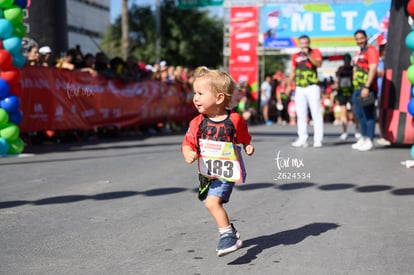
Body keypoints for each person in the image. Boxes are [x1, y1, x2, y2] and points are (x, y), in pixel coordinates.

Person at [181, 66, 254, 257]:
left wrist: (247, 146)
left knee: (212, 203)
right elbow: (187, 143)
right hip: (206, 173)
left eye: (200, 93)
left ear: (220, 98)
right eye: (194, 93)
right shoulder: (197, 122)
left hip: (225, 172)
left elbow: (243, 136)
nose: (195, 98)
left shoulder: (235, 119)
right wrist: (188, 153)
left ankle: (227, 235)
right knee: (209, 201)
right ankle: (231, 231)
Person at [286, 34, 324, 148]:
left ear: (309, 43)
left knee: (316, 113)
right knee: (301, 114)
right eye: (302, 43)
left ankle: (318, 140)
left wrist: (308, 55)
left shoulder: (315, 52)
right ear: (299, 44)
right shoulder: (295, 56)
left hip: (312, 86)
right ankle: (302, 138)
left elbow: (319, 64)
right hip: (299, 88)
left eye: (305, 43)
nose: (304, 45)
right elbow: (293, 71)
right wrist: (288, 85)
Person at [351, 29, 379, 151]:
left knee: (368, 115)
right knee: (359, 114)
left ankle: (370, 139)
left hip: (367, 88)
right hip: (357, 88)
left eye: (361, 38)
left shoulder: (371, 50)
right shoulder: (358, 52)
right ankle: (363, 137)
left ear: (366, 38)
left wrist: (367, 87)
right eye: (357, 39)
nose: (359, 41)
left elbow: (372, 69)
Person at [334, 53, 360, 140]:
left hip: (351, 92)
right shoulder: (341, 69)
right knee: (343, 112)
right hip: (342, 93)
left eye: (348, 61)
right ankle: (344, 132)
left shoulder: (353, 69)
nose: (346, 62)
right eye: (345, 61)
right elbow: (337, 78)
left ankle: (357, 130)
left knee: (354, 112)